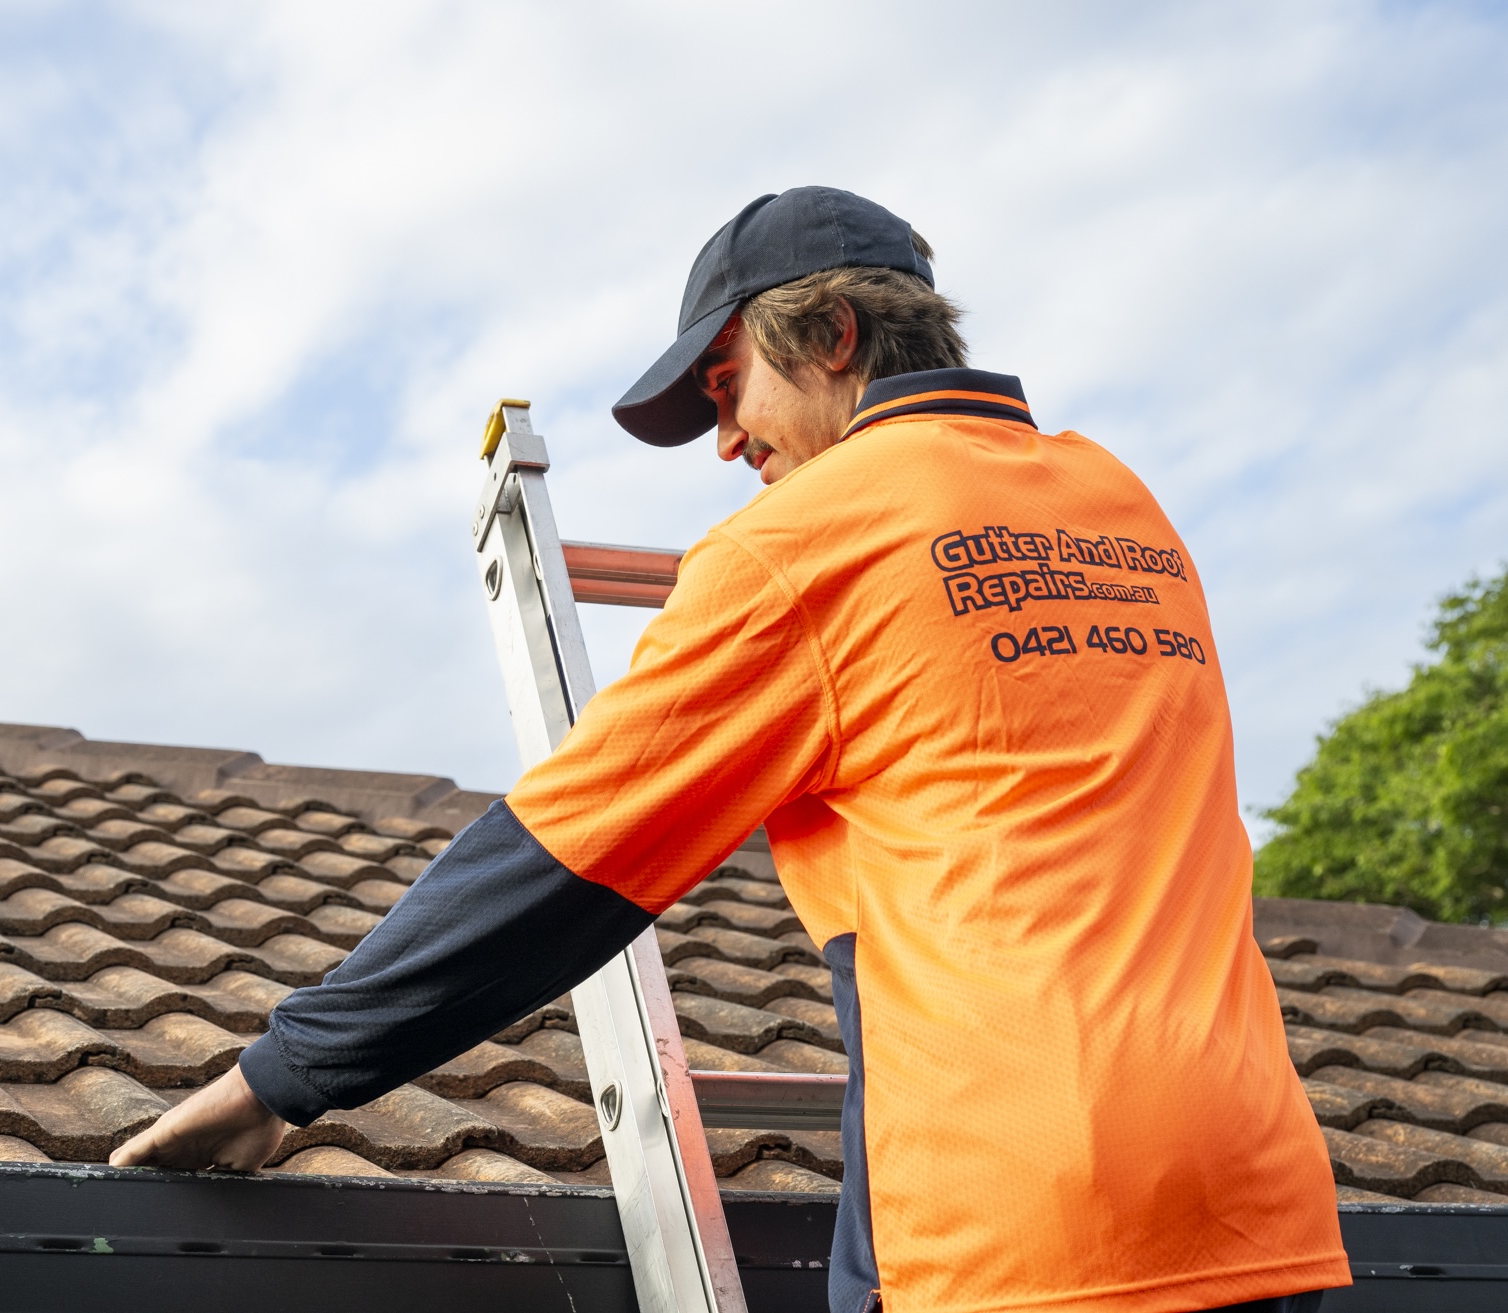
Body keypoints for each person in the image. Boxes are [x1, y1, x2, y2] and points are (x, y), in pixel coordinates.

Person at [113, 187, 1349, 1312]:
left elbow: (559, 857)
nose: (724, 443)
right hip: (1255, 1189)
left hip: (1019, 1220)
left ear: (831, 340)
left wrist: (281, 1076)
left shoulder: (804, 541)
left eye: (723, 385)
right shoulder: (1120, 503)